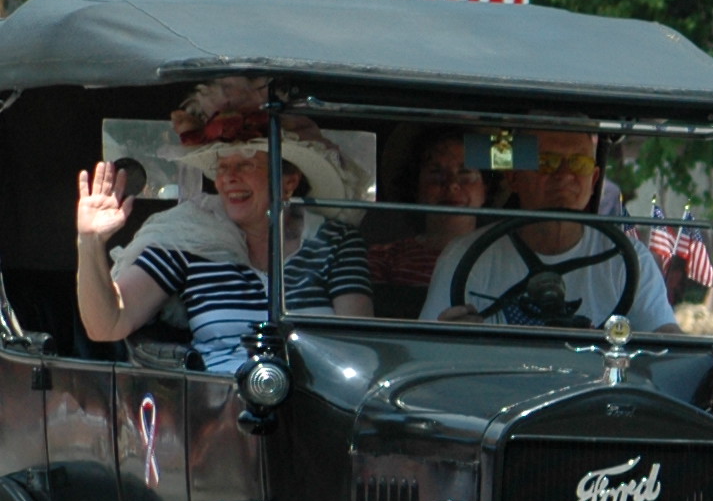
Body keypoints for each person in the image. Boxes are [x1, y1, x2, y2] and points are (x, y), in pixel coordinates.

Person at [75, 101, 371, 372]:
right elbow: (107, 325)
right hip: (217, 405)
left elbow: (357, 350)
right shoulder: (188, 236)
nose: (229, 178)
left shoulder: (335, 241)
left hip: (315, 400)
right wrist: (90, 241)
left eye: (245, 165)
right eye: (223, 167)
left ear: (288, 182)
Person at [428, 126, 672, 341]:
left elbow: (665, 340)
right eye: (547, 161)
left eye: (579, 163)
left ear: (594, 180)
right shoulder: (462, 256)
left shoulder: (629, 260)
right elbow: (428, 347)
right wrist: (453, 339)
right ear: (514, 176)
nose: (564, 174)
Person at [365, 129, 492, 305]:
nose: (452, 185)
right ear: (415, 187)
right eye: (436, 174)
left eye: (465, 174)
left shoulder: (505, 259)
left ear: (485, 189)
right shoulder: (384, 259)